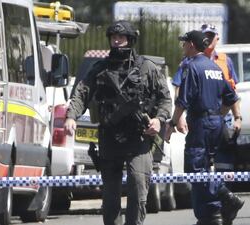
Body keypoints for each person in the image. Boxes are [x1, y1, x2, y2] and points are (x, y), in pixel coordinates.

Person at [64, 20, 172, 225]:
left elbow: (165, 99)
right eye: (113, 37)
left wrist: (158, 120)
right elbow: (81, 93)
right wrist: (71, 116)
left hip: (138, 139)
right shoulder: (100, 69)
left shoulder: (146, 68)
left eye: (120, 37)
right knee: (111, 195)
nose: (116, 41)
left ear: (130, 39)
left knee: (138, 185)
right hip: (109, 138)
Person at [165, 30, 242, 225]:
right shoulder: (214, 67)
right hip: (215, 123)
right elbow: (231, 97)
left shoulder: (192, 67)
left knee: (195, 168)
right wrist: (218, 115)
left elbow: (183, 100)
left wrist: (172, 123)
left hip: (200, 123)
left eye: (184, 44)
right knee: (205, 167)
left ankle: (226, 198)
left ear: (191, 44)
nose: (182, 47)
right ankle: (211, 215)